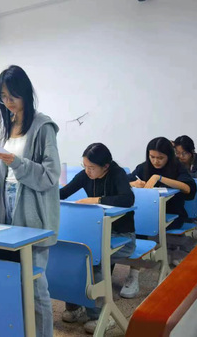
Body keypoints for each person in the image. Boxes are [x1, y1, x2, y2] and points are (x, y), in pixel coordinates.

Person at [0, 65, 60, 337]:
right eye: (3, 97)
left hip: (32, 208)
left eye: (12, 96)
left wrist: (17, 162)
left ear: (26, 94)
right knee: (10, 279)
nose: (8, 102)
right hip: (6, 203)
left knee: (35, 285)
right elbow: (2, 173)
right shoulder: (7, 127)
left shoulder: (43, 127)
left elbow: (50, 175)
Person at [59, 143, 136, 334]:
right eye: (85, 166)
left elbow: (128, 199)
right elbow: (63, 193)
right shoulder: (86, 175)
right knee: (73, 256)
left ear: (106, 166)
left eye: (91, 167)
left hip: (122, 237)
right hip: (96, 233)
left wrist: (96, 200)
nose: (87, 171)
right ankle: (74, 307)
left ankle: (100, 316)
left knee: (93, 260)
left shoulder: (117, 174)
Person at [122, 137, 196, 299]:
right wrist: (133, 184)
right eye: (152, 157)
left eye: (160, 158)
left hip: (173, 215)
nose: (155, 161)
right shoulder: (143, 167)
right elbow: (124, 181)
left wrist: (159, 178)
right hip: (147, 215)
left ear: (169, 156)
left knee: (140, 225)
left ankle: (136, 271)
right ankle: (133, 274)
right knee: (137, 223)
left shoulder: (177, 167)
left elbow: (189, 188)